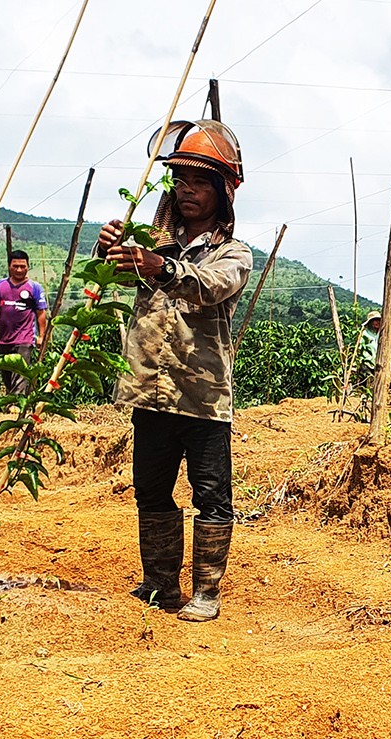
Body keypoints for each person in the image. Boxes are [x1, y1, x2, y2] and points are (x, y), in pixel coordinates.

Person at [96, 120, 251, 622]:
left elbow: (207, 286)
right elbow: (107, 275)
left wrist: (156, 266)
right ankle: (161, 584)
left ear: (222, 194)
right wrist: (111, 251)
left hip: (203, 400)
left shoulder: (234, 253)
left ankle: (207, 591)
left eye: (199, 183)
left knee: (211, 495)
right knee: (152, 491)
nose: (187, 191)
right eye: (180, 181)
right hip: (151, 391)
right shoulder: (153, 245)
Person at [0, 250, 49, 395]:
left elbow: (41, 313)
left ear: (28, 266)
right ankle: (11, 406)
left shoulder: (35, 287)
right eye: (15, 266)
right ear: (9, 266)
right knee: (7, 376)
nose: (19, 269)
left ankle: (16, 407)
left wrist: (41, 336)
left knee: (20, 374)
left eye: (23, 266)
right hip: (3, 339)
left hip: (24, 339)